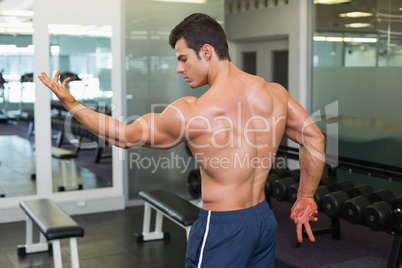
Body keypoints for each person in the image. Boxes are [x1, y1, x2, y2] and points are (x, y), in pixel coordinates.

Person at [39, 13, 325, 268]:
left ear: (207, 51)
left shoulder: (192, 111)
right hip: (263, 220)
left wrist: (72, 105)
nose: (179, 69)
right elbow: (314, 138)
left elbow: (123, 136)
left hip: (222, 226)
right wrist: (305, 196)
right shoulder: (275, 93)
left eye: (183, 58)